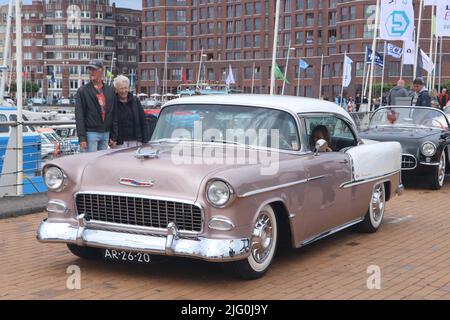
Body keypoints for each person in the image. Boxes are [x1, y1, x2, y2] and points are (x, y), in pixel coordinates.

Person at [75, 59, 118, 152]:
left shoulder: (110, 90)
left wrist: (113, 136)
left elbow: (114, 114)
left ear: (101, 71)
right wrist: (82, 137)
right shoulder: (82, 91)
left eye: (94, 69)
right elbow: (79, 115)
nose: (91, 72)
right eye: (89, 70)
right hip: (90, 133)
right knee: (90, 163)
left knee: (102, 163)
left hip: (106, 133)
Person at [114, 75, 150, 148]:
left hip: (136, 140)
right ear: (116, 89)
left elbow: (143, 120)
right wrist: (112, 138)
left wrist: (146, 140)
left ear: (128, 88)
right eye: (121, 88)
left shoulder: (135, 101)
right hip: (120, 142)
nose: (124, 91)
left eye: (125, 88)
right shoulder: (113, 102)